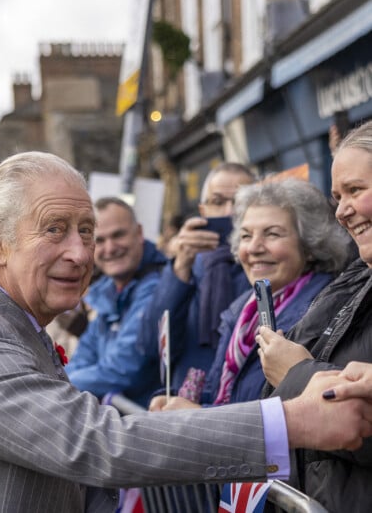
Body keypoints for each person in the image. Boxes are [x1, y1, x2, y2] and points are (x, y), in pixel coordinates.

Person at [0, 150, 372, 513]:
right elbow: (96, 444)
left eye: (86, 230)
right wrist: (290, 421)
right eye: (54, 229)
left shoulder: (13, 323)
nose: (80, 253)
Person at [150, 178, 351, 410]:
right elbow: (223, 392)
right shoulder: (242, 309)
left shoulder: (324, 312)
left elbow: (284, 415)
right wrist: (173, 398)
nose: (254, 248)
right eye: (246, 236)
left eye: (272, 234)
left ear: (310, 247)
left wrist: (198, 415)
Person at [256, 120, 372, 513]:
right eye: (337, 196)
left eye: (356, 190)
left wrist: (298, 374)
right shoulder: (356, 278)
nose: (343, 211)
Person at [142, 162, 256, 392]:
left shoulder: (265, 264)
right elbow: (152, 345)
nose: (229, 212)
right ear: (203, 211)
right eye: (217, 202)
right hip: (188, 399)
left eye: (240, 202)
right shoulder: (190, 263)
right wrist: (180, 267)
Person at [65, 196, 168, 406]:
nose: (110, 248)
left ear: (139, 233)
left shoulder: (160, 287)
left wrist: (56, 386)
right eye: (100, 240)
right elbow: (84, 355)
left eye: (118, 235)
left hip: (147, 425)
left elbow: (123, 368)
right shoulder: (106, 293)